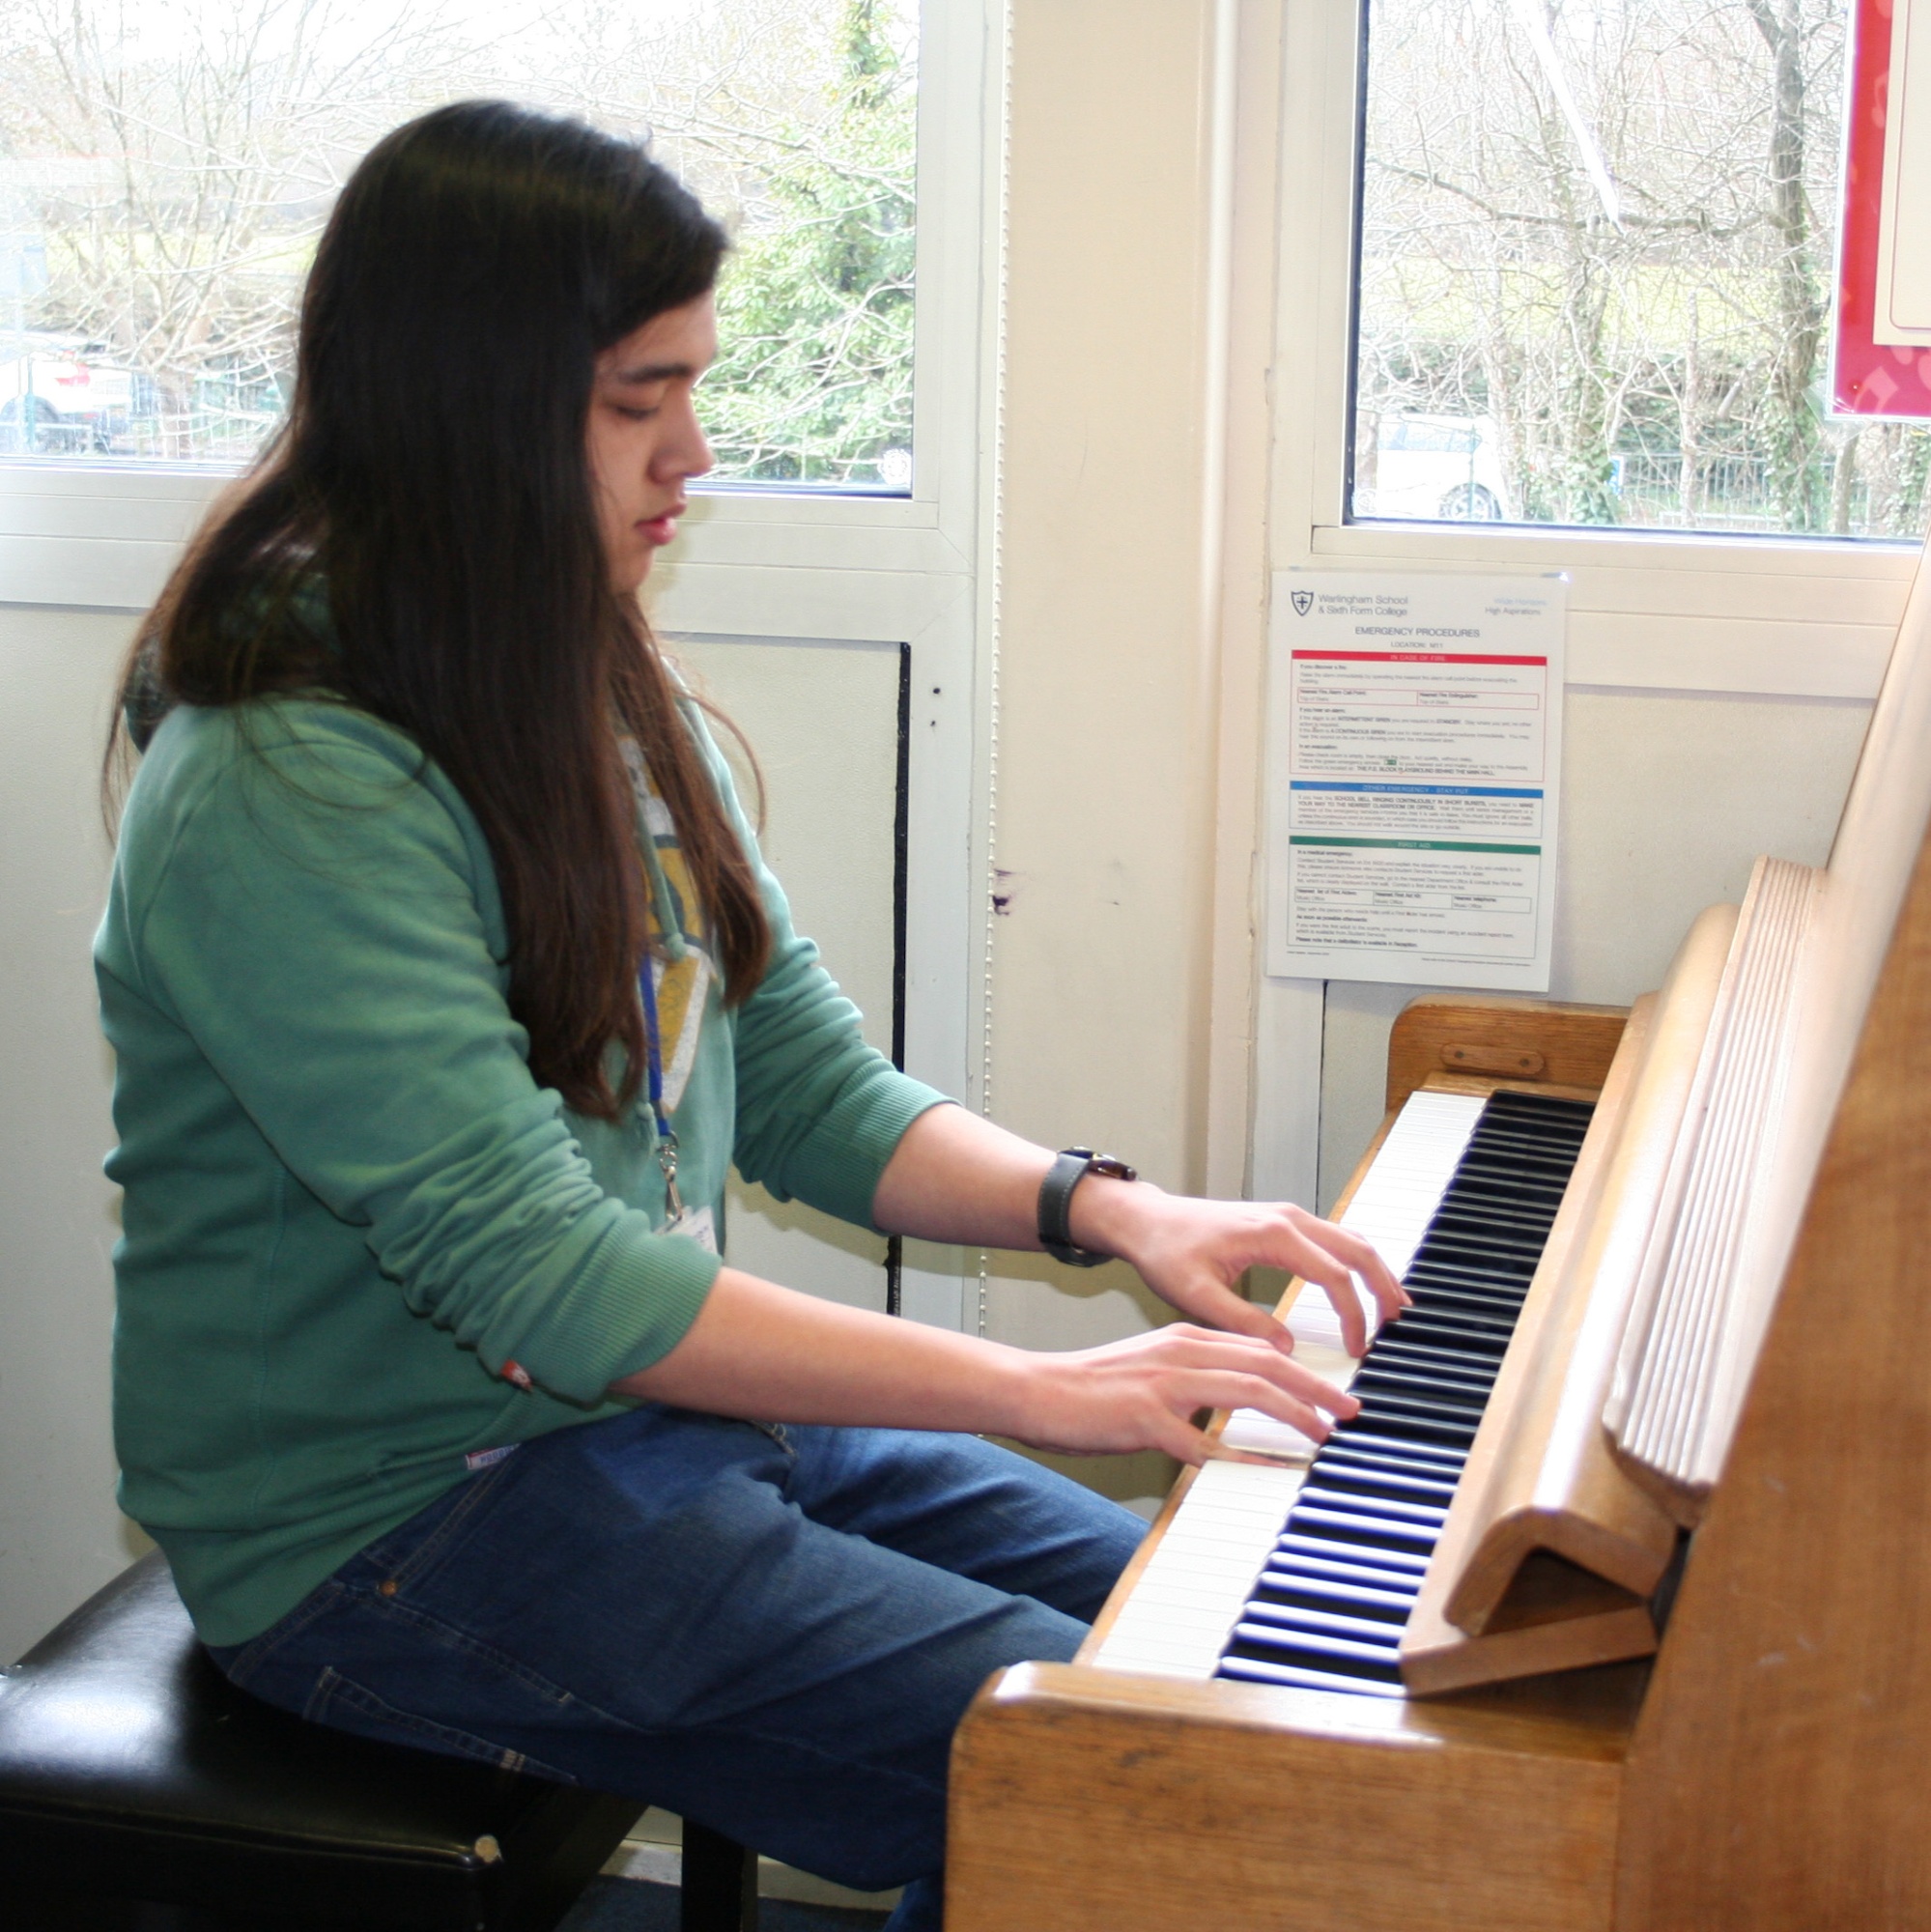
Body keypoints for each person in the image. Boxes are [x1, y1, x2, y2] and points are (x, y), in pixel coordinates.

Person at [95, 100, 1403, 1930]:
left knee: (1227, 1668)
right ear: (469, 401)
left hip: (622, 1429)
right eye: (639, 400)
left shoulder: (571, 670)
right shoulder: (278, 781)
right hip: (390, 1527)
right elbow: (550, 1281)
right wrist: (1044, 1385)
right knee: (1124, 1789)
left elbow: (799, 1084)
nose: (691, 455)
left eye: (691, 390)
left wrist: (1108, 1211)